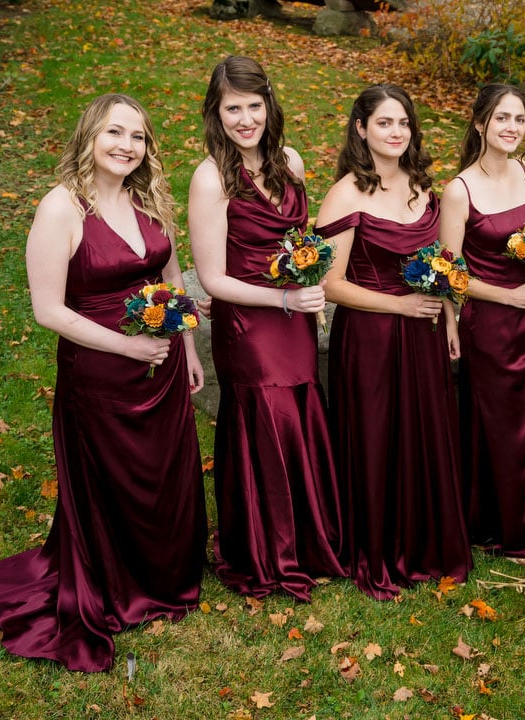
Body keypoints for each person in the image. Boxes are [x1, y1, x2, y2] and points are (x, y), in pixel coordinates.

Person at [0, 94, 207, 672]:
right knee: (112, 479)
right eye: (114, 133)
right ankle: (113, 582)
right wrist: (128, 346)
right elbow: (49, 310)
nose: (126, 146)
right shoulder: (61, 208)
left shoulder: (149, 199)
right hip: (99, 372)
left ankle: (161, 573)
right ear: (89, 136)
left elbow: (169, 275)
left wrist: (186, 346)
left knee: (163, 475)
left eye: (137, 137)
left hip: (160, 365)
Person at [188, 56, 345, 602]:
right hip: (250, 321)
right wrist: (283, 296)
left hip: (294, 313)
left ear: (269, 105)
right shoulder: (211, 178)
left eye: (255, 105)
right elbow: (212, 277)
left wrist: (306, 282)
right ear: (217, 112)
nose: (246, 118)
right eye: (233, 107)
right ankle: (264, 549)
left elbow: (299, 241)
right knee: (269, 420)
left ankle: (307, 541)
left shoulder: (291, 161)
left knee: (301, 413)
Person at [315, 83, 473, 600]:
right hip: (371, 336)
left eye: (403, 122)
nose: (396, 132)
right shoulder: (345, 193)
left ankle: (423, 541)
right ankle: (377, 546)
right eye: (384, 123)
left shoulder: (422, 187)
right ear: (361, 129)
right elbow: (329, 284)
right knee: (378, 436)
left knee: (422, 434)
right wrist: (400, 305)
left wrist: (448, 317)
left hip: (423, 334)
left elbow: (441, 265)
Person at [439, 84, 525, 559]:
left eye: (520, 120)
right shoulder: (459, 190)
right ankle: (498, 523)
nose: (513, 128)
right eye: (503, 119)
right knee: (498, 427)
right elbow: (451, 271)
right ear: (480, 124)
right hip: (488, 323)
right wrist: (502, 299)